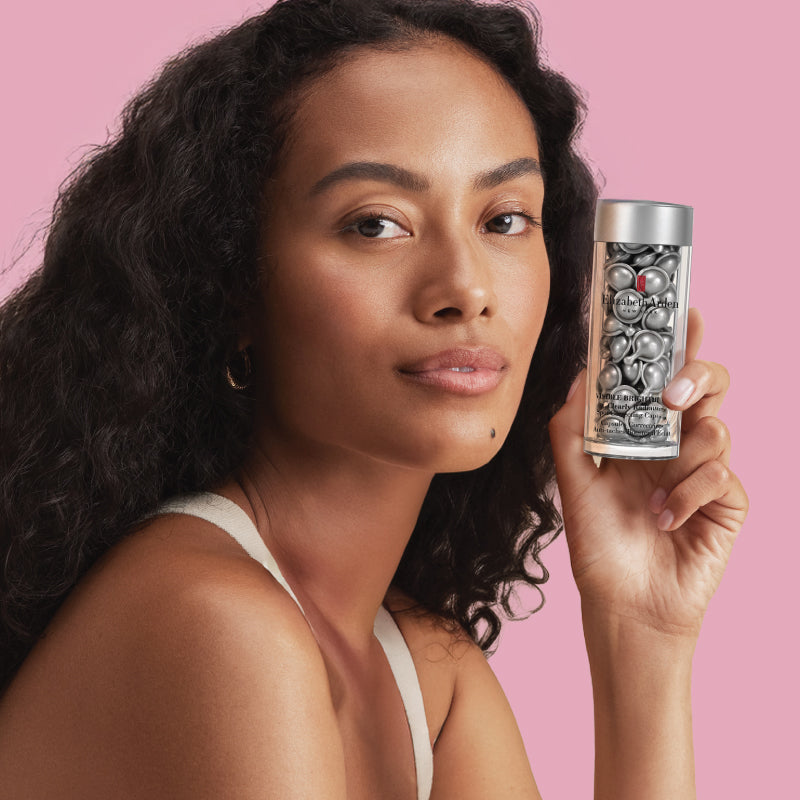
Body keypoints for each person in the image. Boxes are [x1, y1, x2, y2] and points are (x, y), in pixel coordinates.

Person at [0, 0, 748, 797]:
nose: (464, 286)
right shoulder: (214, 622)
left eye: (503, 218)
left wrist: (642, 633)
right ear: (232, 284)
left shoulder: (428, 672)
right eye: (375, 225)